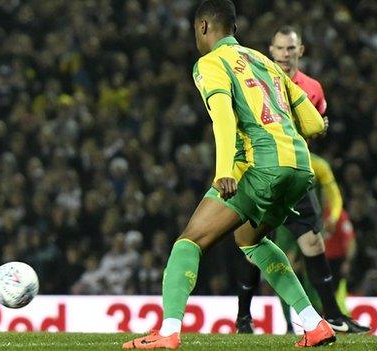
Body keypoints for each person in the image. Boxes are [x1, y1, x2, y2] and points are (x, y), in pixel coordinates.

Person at [122, 0, 334, 349]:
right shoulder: (265, 61)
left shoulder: (210, 63)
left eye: (195, 30)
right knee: (249, 240)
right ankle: (314, 324)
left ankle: (168, 332)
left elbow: (223, 115)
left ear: (203, 27)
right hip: (299, 167)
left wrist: (224, 171)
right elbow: (312, 121)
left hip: (260, 167)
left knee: (188, 241)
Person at [233, 26, 369, 334]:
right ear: (271, 50)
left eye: (290, 49)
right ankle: (243, 319)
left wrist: (319, 128)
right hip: (262, 173)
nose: (285, 54)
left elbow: (314, 127)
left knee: (312, 240)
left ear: (300, 51)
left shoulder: (313, 88)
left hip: (295, 173)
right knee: (250, 242)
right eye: (280, 49)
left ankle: (332, 314)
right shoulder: (257, 82)